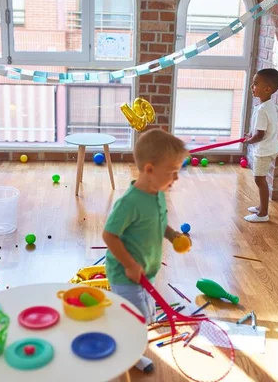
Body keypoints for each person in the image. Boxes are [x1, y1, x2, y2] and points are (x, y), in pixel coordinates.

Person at [102, 129, 190, 373]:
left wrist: (172, 236)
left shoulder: (158, 194)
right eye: (172, 172)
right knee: (137, 320)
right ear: (149, 169)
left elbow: (158, 222)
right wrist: (130, 264)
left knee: (144, 315)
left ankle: (123, 339)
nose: (176, 178)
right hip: (125, 273)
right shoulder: (130, 202)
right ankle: (126, 355)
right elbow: (109, 234)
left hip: (146, 271)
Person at [244, 68, 278, 223]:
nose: (252, 87)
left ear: (267, 89)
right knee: (261, 180)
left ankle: (263, 213)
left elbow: (260, 134)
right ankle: (261, 207)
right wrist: (251, 136)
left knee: (259, 180)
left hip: (264, 150)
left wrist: (250, 140)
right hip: (270, 147)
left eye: (255, 84)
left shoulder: (262, 110)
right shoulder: (268, 106)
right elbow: (262, 130)